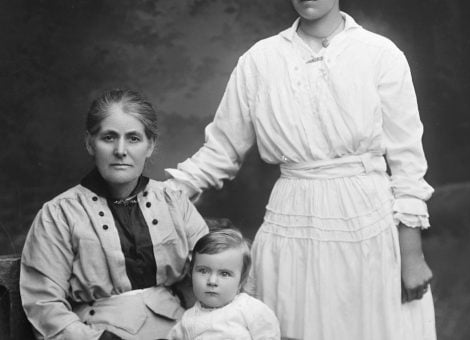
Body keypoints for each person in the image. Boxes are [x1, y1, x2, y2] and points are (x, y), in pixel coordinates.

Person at [166, 0, 436, 338]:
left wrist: (411, 254)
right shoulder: (260, 60)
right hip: (293, 222)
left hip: (368, 223)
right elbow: (221, 150)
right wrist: (162, 197)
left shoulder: (380, 54)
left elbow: (407, 161)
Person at [20, 89, 209, 340]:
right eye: (109, 137)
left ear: (150, 146)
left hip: (178, 328)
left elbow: (206, 275)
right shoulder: (60, 214)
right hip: (99, 332)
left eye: (133, 138)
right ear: (90, 143)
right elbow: (44, 304)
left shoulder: (173, 202)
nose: (120, 150)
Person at [167, 229, 280, 340]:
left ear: (241, 281)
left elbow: (269, 334)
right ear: (191, 273)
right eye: (203, 271)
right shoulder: (187, 319)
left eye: (224, 274)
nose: (212, 281)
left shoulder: (250, 309)